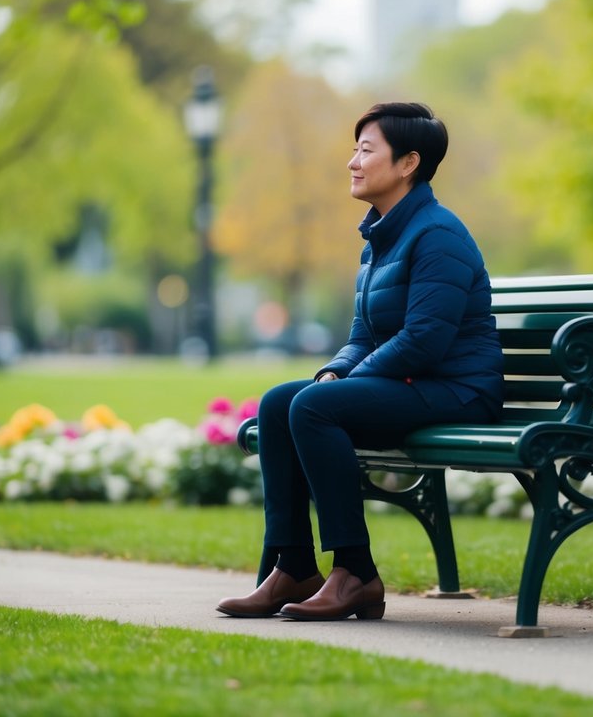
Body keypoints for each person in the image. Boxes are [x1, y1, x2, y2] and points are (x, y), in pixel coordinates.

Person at [216, 102, 504, 622]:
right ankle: (294, 565)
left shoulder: (438, 234)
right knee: (283, 400)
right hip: (417, 383)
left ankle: (355, 573)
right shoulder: (379, 239)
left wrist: (339, 385)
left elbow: (423, 342)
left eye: (366, 150)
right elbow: (361, 337)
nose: (353, 161)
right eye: (355, 149)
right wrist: (334, 371)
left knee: (312, 408)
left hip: (459, 389)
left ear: (408, 163)